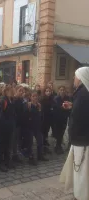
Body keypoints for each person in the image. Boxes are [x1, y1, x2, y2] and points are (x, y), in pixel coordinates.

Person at [60, 67, 89, 200]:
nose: (74, 79)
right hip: (84, 138)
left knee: (80, 169)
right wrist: (72, 106)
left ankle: (80, 195)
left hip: (81, 140)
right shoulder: (84, 93)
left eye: (75, 76)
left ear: (81, 78)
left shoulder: (82, 94)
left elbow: (78, 118)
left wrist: (72, 135)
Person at [23, 91, 49, 165]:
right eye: (33, 96)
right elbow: (25, 116)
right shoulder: (28, 105)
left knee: (40, 141)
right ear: (30, 97)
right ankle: (30, 157)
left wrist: (40, 110)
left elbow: (41, 116)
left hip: (37, 127)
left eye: (36, 96)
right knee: (30, 143)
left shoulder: (39, 105)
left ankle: (40, 155)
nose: (35, 98)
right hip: (29, 127)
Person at [0, 85, 15, 172]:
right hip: (3, 128)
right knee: (2, 145)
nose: (13, 92)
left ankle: (7, 161)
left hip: (9, 127)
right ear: (6, 91)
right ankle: (1, 163)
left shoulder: (10, 100)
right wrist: (6, 125)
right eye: (11, 90)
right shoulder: (2, 101)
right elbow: (0, 116)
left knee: (8, 145)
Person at [53, 86, 70, 154]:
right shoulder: (56, 98)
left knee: (62, 132)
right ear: (59, 91)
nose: (62, 91)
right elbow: (56, 107)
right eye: (61, 90)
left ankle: (58, 145)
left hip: (64, 118)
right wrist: (63, 107)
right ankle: (57, 146)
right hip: (58, 118)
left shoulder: (67, 98)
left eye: (63, 90)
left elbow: (69, 106)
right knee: (58, 132)